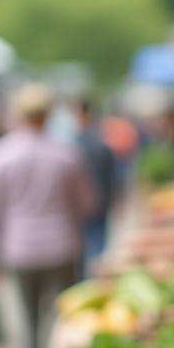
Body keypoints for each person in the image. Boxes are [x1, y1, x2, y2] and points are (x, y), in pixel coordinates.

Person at [0, 84, 96, 348]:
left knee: (29, 322)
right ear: (48, 115)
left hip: (20, 249)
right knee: (64, 319)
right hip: (63, 246)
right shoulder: (67, 153)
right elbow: (88, 204)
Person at [73, 100, 117, 278]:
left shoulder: (71, 145)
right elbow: (111, 178)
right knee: (97, 245)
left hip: (82, 205)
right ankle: (94, 277)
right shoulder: (100, 144)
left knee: (84, 245)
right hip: (100, 200)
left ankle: (87, 277)